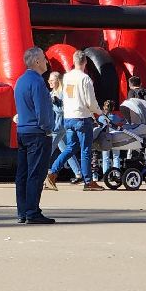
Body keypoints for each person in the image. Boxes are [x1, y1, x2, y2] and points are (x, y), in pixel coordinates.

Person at [46, 52, 102, 191]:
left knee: (70, 147)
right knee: (85, 150)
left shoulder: (67, 77)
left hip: (68, 117)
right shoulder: (85, 79)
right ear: (85, 63)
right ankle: (88, 181)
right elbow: (90, 101)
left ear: (73, 61)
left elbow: (67, 96)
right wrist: (100, 113)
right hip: (82, 117)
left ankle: (52, 173)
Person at [14, 46, 57, 225]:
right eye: (44, 59)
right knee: (36, 174)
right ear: (37, 61)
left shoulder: (21, 81)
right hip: (37, 133)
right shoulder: (38, 82)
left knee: (23, 173)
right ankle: (32, 211)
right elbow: (43, 110)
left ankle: (23, 211)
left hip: (23, 130)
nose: (47, 62)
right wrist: (48, 128)